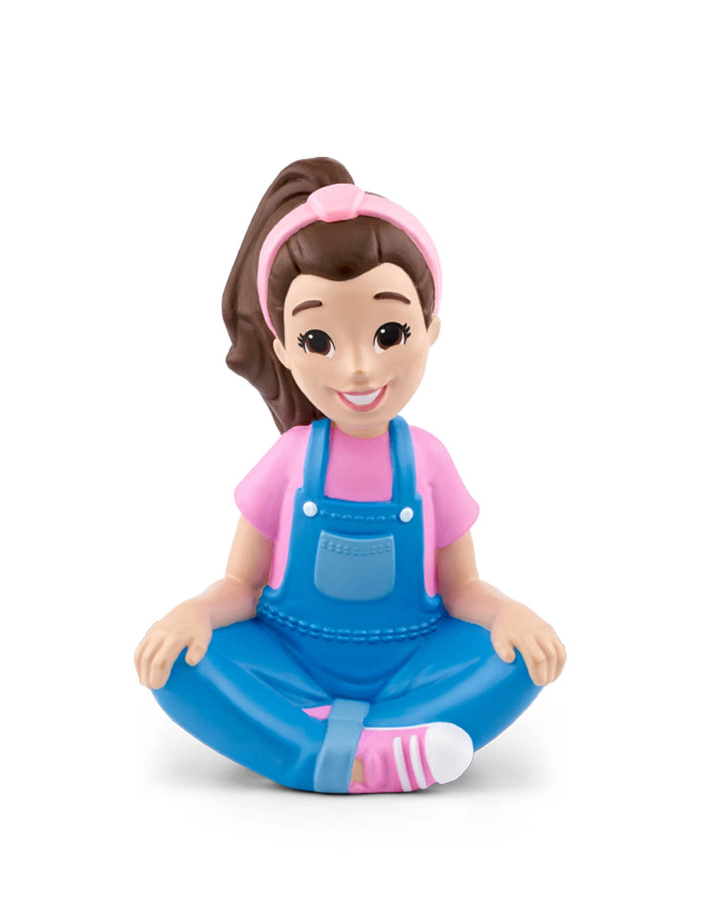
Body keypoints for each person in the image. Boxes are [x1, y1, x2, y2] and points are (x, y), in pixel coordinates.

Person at [135, 158, 566, 793]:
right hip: (290, 662)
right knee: (175, 664)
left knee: (521, 661)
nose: (359, 368)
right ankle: (380, 753)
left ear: (430, 329)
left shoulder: (428, 461)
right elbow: (241, 584)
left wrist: (508, 614)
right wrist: (195, 612)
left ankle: (299, 743)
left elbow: (462, 588)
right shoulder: (289, 461)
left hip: (411, 665)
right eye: (319, 342)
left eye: (389, 332)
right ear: (284, 348)